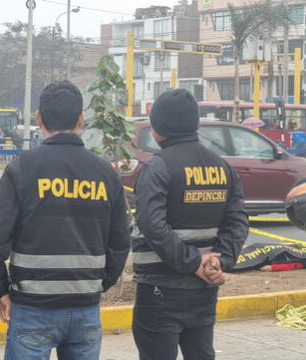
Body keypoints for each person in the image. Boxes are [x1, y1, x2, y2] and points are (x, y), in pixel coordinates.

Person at [0, 81, 130, 360]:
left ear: (39, 119)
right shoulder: (105, 173)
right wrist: (98, 284)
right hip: (85, 308)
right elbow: (120, 242)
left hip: (32, 309)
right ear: (81, 119)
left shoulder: (23, 168)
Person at [131, 89, 249, 360]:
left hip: (161, 289)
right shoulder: (222, 166)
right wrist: (221, 261)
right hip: (205, 288)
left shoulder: (158, 166)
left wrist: (193, 263)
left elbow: (152, 225)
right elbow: (238, 220)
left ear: (157, 128)